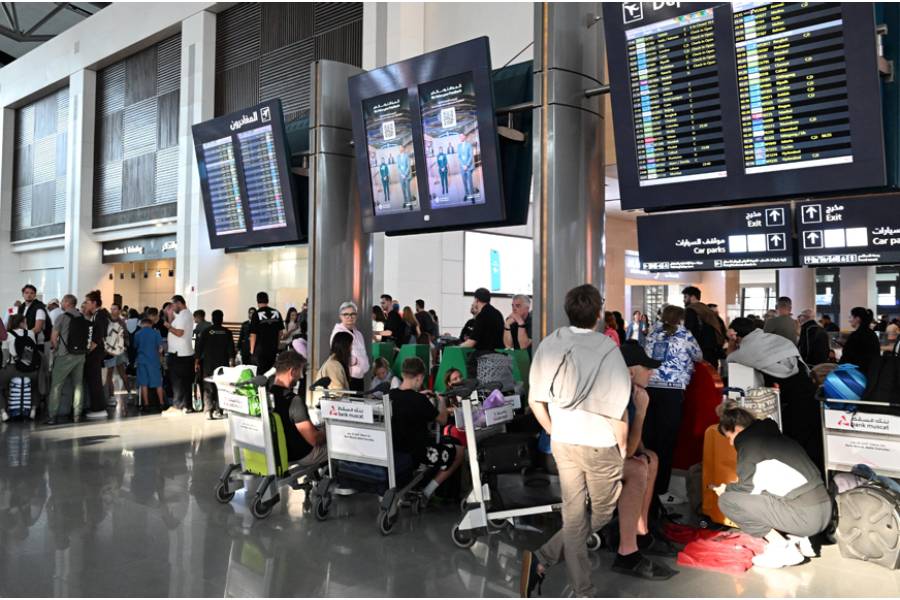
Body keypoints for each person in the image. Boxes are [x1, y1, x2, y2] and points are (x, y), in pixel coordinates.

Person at [520, 284, 631, 598]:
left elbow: (535, 400)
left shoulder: (550, 343)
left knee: (573, 515)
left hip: (563, 443)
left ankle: (557, 571)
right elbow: (617, 409)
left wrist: (554, 431)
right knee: (601, 513)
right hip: (599, 444)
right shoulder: (608, 349)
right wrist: (622, 448)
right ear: (599, 315)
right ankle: (561, 572)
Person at [712, 402, 831, 569]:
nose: (731, 444)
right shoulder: (780, 439)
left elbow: (748, 489)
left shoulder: (750, 446)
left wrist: (726, 489)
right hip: (824, 511)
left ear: (737, 429)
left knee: (728, 501)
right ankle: (800, 539)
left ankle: (782, 548)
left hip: (806, 518)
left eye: (729, 437)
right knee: (767, 495)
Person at [613, 341, 677, 581]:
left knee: (651, 457)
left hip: (603, 453)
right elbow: (626, 452)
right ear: (630, 371)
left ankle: (641, 529)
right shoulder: (618, 394)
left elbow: (636, 447)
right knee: (638, 467)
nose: (652, 372)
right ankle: (627, 551)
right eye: (646, 368)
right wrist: (641, 412)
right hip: (584, 458)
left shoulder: (630, 391)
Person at [726, 317, 821, 469]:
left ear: (736, 336)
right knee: (813, 446)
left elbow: (730, 360)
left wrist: (731, 345)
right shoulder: (777, 340)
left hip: (792, 405)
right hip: (809, 394)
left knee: (796, 449)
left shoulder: (747, 350)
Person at [642, 305, 702, 504]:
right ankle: (661, 490)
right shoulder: (685, 334)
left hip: (649, 389)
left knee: (649, 439)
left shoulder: (652, 333)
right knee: (666, 442)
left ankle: (645, 486)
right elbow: (699, 356)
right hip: (673, 391)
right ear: (681, 318)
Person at [389, 357, 464, 501]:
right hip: (417, 452)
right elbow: (442, 420)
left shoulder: (391, 395)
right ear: (419, 377)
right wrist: (441, 401)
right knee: (459, 449)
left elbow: (407, 401)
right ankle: (428, 491)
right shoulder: (419, 400)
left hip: (395, 450)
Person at [269, 350, 328, 466]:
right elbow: (314, 439)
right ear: (292, 371)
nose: (301, 377)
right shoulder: (294, 401)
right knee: (340, 447)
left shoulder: (268, 395)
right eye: (300, 372)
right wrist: (328, 432)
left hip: (279, 453)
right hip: (302, 455)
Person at [46, 295, 88, 425]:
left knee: (56, 385)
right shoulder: (83, 317)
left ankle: (52, 416)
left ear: (68, 303)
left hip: (64, 355)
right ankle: (76, 414)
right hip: (81, 355)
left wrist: (56, 349)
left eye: (63, 301)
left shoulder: (61, 317)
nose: (61, 303)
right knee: (78, 385)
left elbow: (54, 338)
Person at [196, 310, 236, 419]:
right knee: (221, 386)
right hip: (222, 364)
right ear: (222, 319)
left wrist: (197, 362)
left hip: (208, 363)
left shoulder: (206, 331)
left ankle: (208, 411)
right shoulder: (226, 332)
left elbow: (199, 348)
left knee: (208, 386)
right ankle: (219, 410)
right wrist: (232, 362)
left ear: (212, 319)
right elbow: (231, 349)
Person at [0, 315, 40, 421]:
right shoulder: (30, 333)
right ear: (22, 323)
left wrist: (3, 367)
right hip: (30, 369)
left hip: (13, 368)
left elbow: (5, 357)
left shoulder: (7, 335)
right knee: (35, 387)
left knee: (1, 386)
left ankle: (3, 412)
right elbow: (33, 351)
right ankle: (33, 410)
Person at [162, 295, 195, 414]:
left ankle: (178, 406)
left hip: (179, 355)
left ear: (179, 303)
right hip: (184, 353)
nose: (171, 307)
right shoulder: (185, 315)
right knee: (185, 382)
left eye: (172, 305)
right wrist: (170, 318)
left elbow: (179, 333)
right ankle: (187, 406)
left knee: (177, 382)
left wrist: (168, 326)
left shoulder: (183, 316)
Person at [330, 301, 370, 393]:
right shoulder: (338, 333)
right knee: (350, 406)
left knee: (359, 404)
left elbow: (363, 352)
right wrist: (354, 361)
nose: (350, 317)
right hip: (348, 378)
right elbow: (339, 356)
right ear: (340, 316)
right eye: (346, 314)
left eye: (353, 314)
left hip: (360, 377)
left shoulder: (358, 334)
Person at [682, 286, 725, 368]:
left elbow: (690, 331)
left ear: (693, 297)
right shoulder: (707, 309)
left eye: (685, 297)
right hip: (713, 350)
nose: (683, 300)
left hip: (700, 350)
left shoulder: (691, 310)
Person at [82, 290, 110, 417]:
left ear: (94, 303)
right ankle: (98, 407)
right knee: (95, 380)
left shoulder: (100, 316)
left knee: (95, 381)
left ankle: (98, 409)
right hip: (97, 353)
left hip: (95, 353)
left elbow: (97, 337)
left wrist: (87, 351)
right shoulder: (98, 315)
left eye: (87, 302)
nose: (86, 304)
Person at [134, 317, 165, 412]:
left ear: (142, 324)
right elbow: (160, 348)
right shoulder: (156, 333)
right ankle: (161, 404)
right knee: (158, 384)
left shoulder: (138, 334)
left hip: (142, 361)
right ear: (151, 324)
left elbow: (135, 346)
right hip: (154, 361)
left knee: (144, 384)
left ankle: (146, 405)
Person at [103, 303, 130, 413]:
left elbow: (125, 336)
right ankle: (112, 397)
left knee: (121, 373)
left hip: (118, 351)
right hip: (111, 351)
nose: (112, 311)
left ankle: (128, 393)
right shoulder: (110, 321)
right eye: (111, 309)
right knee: (110, 375)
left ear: (119, 310)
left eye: (114, 309)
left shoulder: (121, 322)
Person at [250, 292, 284, 375]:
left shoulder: (256, 314)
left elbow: (253, 334)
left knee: (261, 372)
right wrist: (278, 344)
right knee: (271, 372)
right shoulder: (276, 313)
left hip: (260, 349)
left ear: (257, 301)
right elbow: (280, 331)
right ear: (267, 300)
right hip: (272, 348)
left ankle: (262, 387)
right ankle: (269, 387)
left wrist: (252, 350)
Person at [839, 307, 880, 375]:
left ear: (857, 318)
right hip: (871, 374)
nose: (849, 320)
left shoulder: (856, 335)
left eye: (850, 317)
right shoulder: (872, 334)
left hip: (856, 375)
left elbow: (847, 357)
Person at [457, 134, 475, 200]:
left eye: (462, 136)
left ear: (465, 137)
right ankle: (466, 194)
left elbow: (471, 156)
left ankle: (472, 195)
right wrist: (463, 165)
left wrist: (466, 165)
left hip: (468, 166)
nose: (461, 137)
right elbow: (459, 156)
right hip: (462, 167)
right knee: (464, 181)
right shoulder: (458, 146)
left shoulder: (469, 145)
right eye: (460, 137)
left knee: (470, 181)